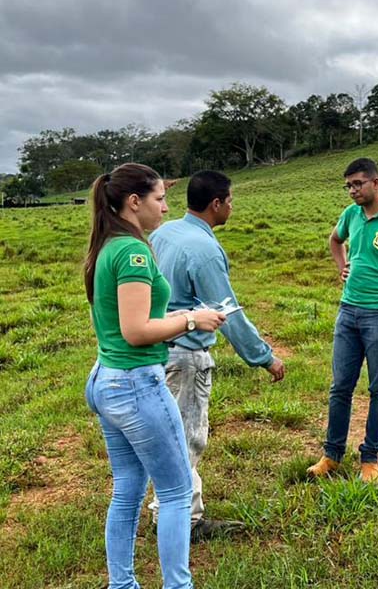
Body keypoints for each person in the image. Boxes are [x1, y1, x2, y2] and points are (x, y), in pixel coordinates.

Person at [83, 163, 225, 589]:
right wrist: (190, 323)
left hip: (107, 378)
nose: (165, 208)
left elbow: (133, 319)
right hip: (135, 383)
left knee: (127, 487)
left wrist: (184, 314)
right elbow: (137, 331)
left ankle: (122, 584)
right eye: (159, 199)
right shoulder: (134, 252)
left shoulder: (108, 245)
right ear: (134, 202)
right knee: (177, 492)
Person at [148, 170, 286, 542]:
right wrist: (264, 357)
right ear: (216, 204)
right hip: (185, 353)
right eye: (230, 200)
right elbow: (227, 313)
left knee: (167, 432)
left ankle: (167, 510)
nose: (232, 206)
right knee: (187, 437)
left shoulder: (164, 233)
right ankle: (182, 520)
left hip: (155, 348)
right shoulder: (205, 249)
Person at [307, 157, 378, 483]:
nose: (353, 191)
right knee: (340, 386)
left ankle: (370, 458)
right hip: (348, 312)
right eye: (349, 186)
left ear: (376, 183)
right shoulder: (350, 215)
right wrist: (340, 265)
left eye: (358, 184)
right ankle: (332, 455)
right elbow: (334, 239)